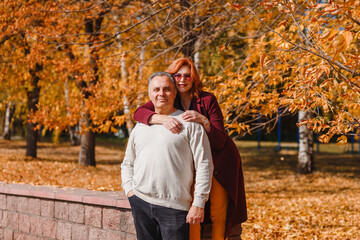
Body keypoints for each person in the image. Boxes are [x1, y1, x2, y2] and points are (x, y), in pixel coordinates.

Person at [133, 58, 247, 239]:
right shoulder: (169, 96)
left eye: (187, 76)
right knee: (191, 211)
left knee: (218, 212)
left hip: (220, 159)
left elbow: (219, 141)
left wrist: (203, 120)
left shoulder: (207, 99)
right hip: (191, 161)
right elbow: (138, 113)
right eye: (177, 75)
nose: (182, 80)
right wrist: (163, 119)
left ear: (193, 78)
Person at [121, 72, 213, 240]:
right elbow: (127, 163)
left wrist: (199, 203)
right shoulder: (141, 126)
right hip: (140, 203)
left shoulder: (190, 124)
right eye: (156, 89)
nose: (161, 93)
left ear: (175, 92)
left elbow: (204, 165)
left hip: (175, 208)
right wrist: (130, 191)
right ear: (150, 93)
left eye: (167, 89)